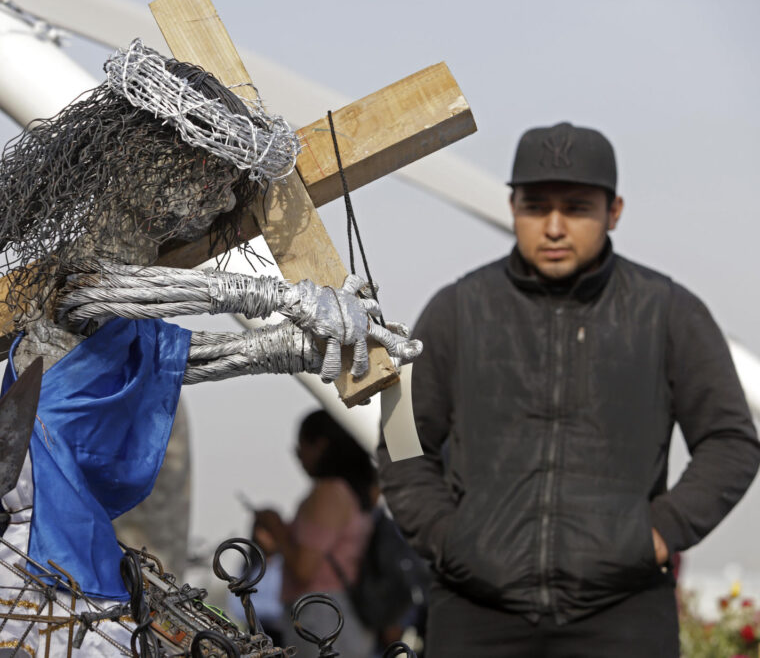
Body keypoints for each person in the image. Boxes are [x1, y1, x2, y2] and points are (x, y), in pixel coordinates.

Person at [376, 121, 760, 657]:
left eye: (577, 208)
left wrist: (657, 533)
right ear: (513, 207)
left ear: (615, 211)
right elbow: (400, 440)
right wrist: (449, 540)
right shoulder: (454, 310)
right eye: (536, 207)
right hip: (476, 611)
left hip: (621, 612)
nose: (554, 227)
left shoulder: (670, 313)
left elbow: (732, 441)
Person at [253, 410, 376, 657]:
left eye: (300, 447)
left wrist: (276, 526)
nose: (298, 457)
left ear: (320, 445)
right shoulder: (354, 492)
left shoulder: (329, 493)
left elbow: (304, 568)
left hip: (320, 616)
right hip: (336, 614)